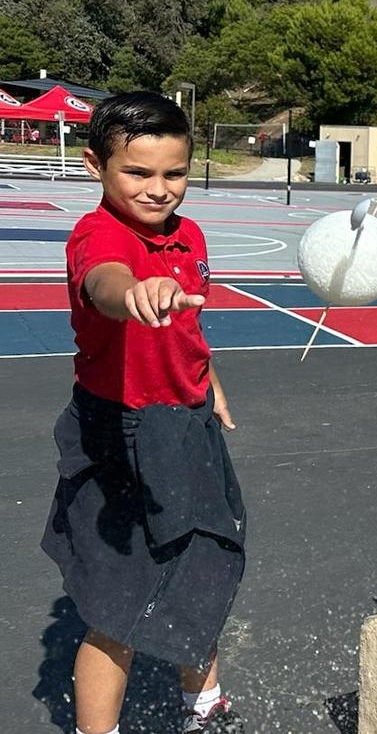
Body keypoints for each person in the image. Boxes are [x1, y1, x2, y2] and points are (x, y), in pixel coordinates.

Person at [44, 92, 247, 734]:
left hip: (188, 425)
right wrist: (137, 290)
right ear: (94, 166)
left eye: (175, 173)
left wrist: (207, 380)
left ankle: (204, 704)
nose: (159, 189)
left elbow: (186, 329)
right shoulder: (98, 235)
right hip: (122, 432)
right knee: (118, 603)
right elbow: (105, 284)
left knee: (204, 565)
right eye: (138, 172)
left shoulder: (189, 235)